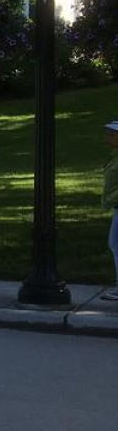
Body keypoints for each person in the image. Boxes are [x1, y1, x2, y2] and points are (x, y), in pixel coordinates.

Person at [102, 120, 118, 301]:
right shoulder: (114, 156)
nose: (108, 137)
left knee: (115, 244)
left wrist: (112, 198)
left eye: (112, 134)